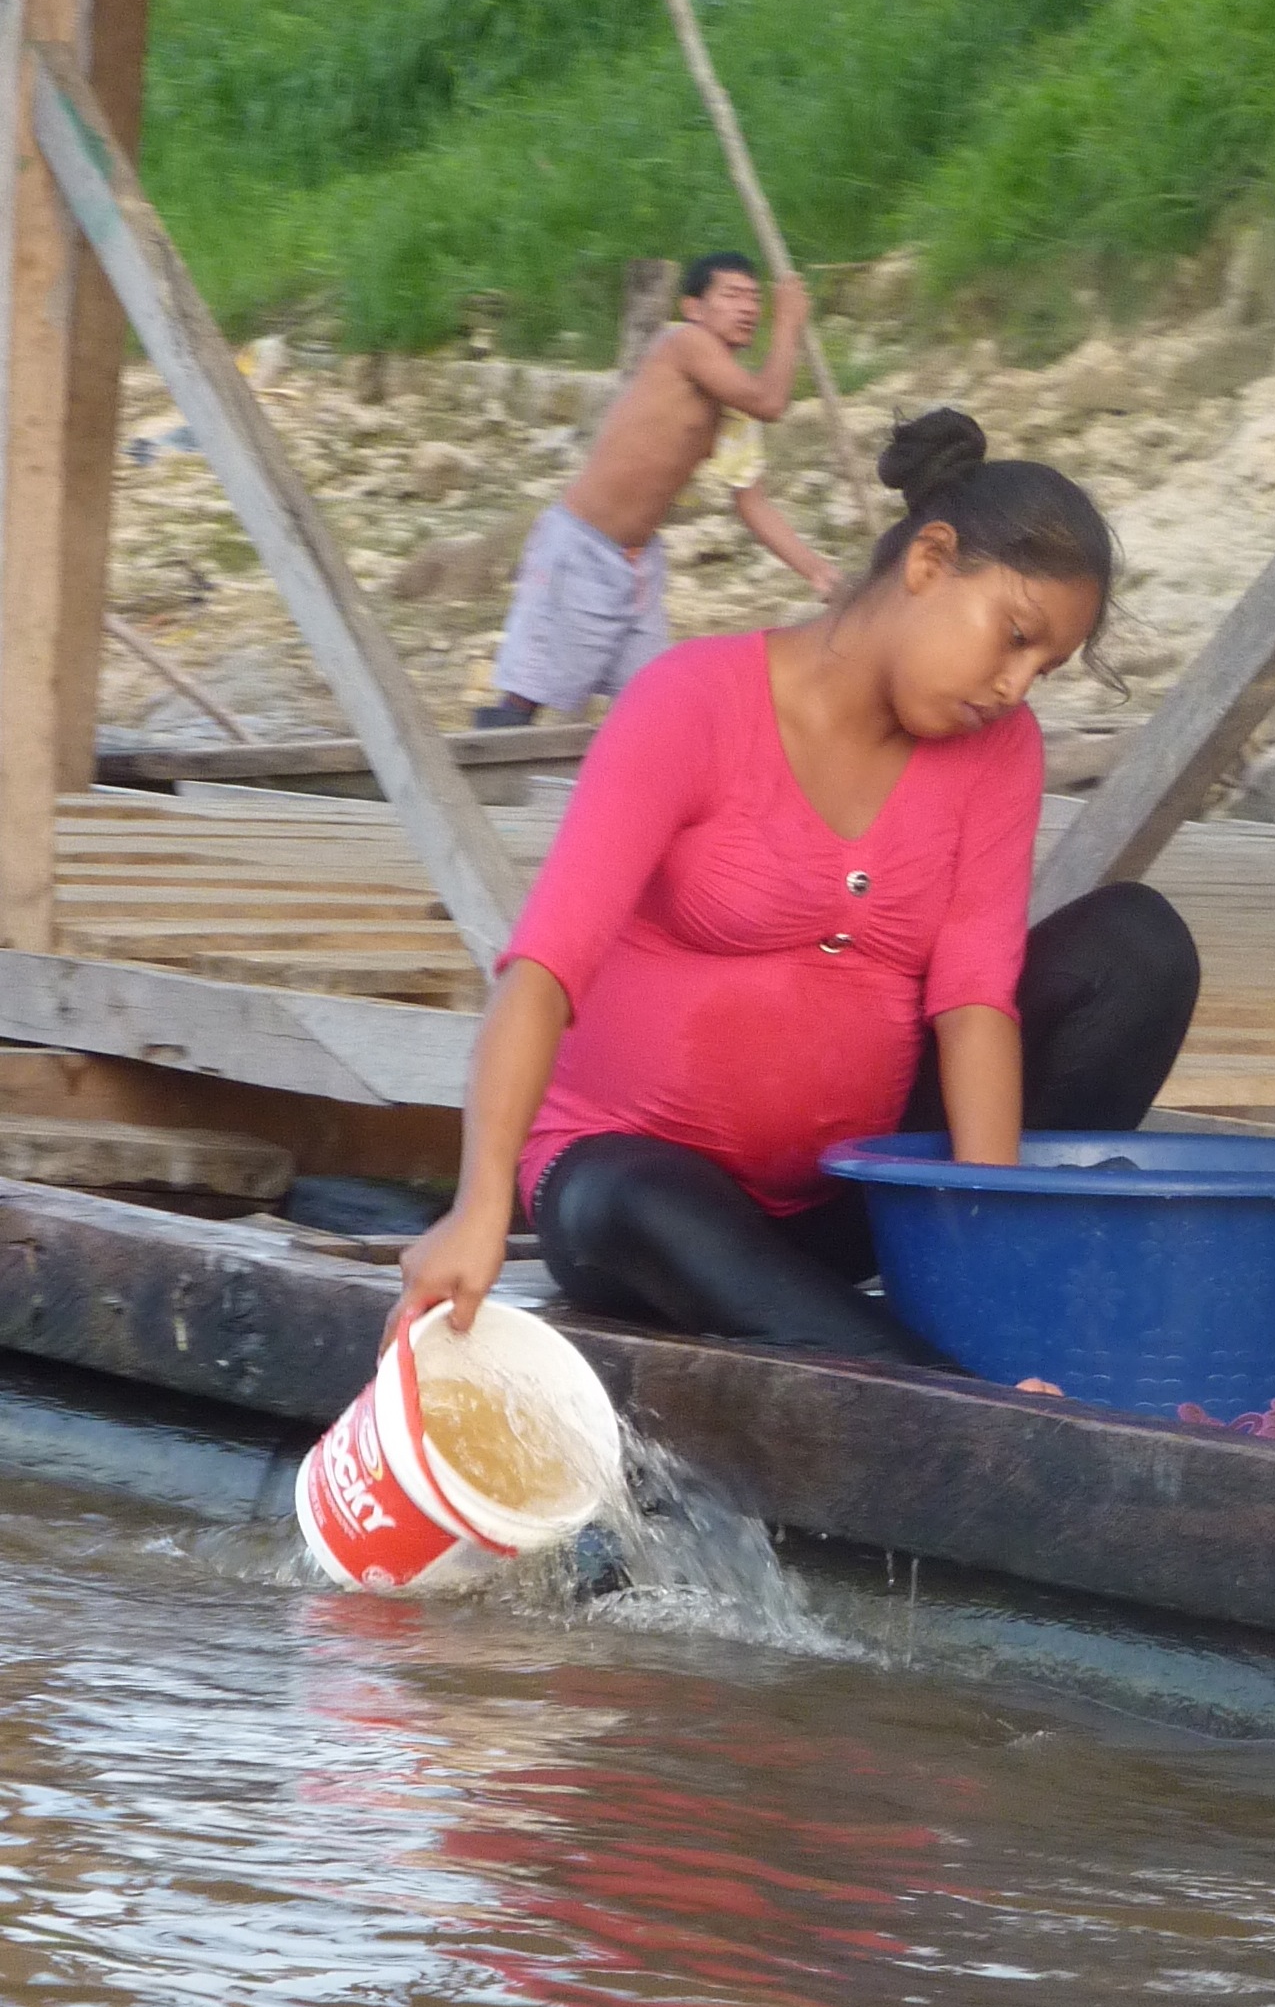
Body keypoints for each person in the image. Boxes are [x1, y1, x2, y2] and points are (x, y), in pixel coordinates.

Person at [398, 407, 1201, 1363]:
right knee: (620, 1196)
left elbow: (975, 1002)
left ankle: (949, 1330)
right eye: (1013, 636)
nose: (1015, 685)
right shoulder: (691, 701)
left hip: (855, 1201)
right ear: (930, 561)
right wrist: (478, 1207)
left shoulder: (998, 751)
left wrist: (990, 1254)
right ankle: (937, 1384)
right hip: (647, 1201)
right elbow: (541, 970)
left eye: (1044, 665)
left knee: (1137, 948)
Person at [481, 251, 835, 727]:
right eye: (732, 295)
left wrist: (817, 573)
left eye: (755, 299)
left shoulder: (732, 407)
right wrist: (789, 323)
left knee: (652, 703)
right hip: (580, 547)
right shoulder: (686, 344)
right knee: (528, 696)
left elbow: (752, 503)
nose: (749, 308)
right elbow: (771, 401)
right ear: (694, 307)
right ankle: (474, 784)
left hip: (638, 565)